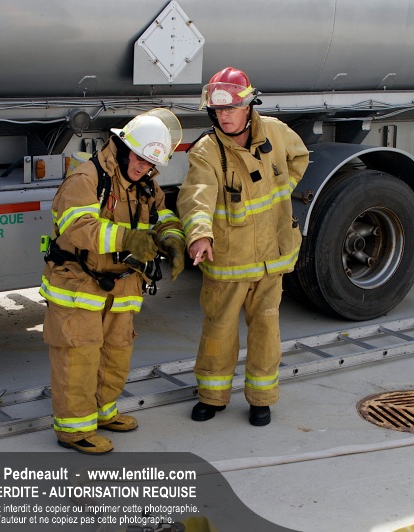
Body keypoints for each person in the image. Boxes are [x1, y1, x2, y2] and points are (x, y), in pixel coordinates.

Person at [40, 109, 186, 454]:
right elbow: (79, 228)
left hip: (122, 284)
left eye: (151, 164)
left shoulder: (145, 183)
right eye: (139, 159)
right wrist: (129, 239)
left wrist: (173, 238)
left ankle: (103, 413)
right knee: (79, 357)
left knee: (115, 353)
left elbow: (162, 214)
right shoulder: (86, 178)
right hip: (79, 284)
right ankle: (74, 430)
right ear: (123, 148)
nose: (143, 168)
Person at [176, 67, 309, 426]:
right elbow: (196, 196)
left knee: (266, 332)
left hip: (270, 259)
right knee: (218, 331)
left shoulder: (276, 133)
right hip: (229, 261)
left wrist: (283, 188)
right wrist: (199, 234)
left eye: (230, 108)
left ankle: (261, 399)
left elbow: (299, 157)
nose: (224, 116)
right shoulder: (207, 150)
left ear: (248, 106)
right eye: (218, 110)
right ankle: (212, 396)